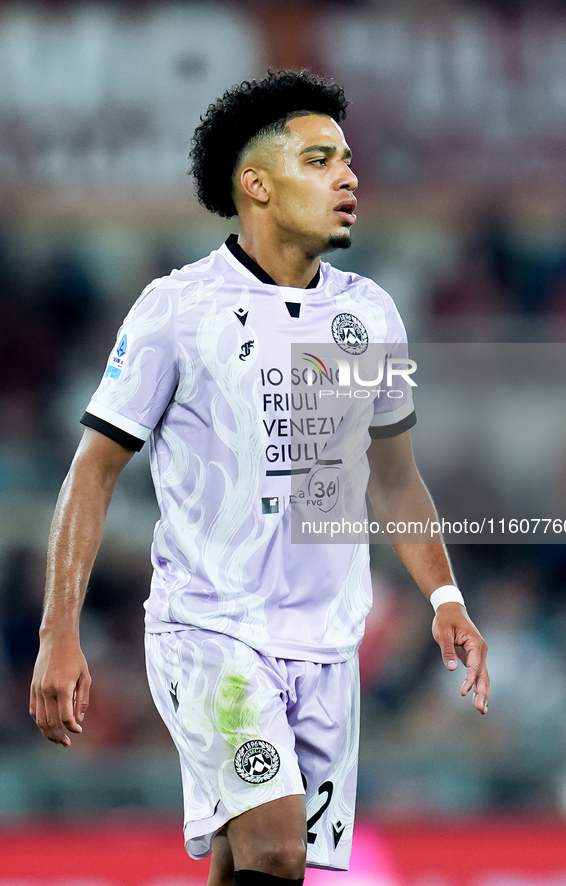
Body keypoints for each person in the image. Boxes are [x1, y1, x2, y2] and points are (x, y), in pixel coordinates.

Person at [30, 70, 489, 886]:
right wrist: (56, 632)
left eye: (348, 160)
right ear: (258, 184)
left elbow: (393, 477)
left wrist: (444, 597)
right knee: (276, 846)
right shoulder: (177, 311)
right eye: (319, 160)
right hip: (211, 631)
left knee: (258, 863)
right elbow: (92, 473)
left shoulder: (365, 314)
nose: (348, 177)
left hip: (325, 645)